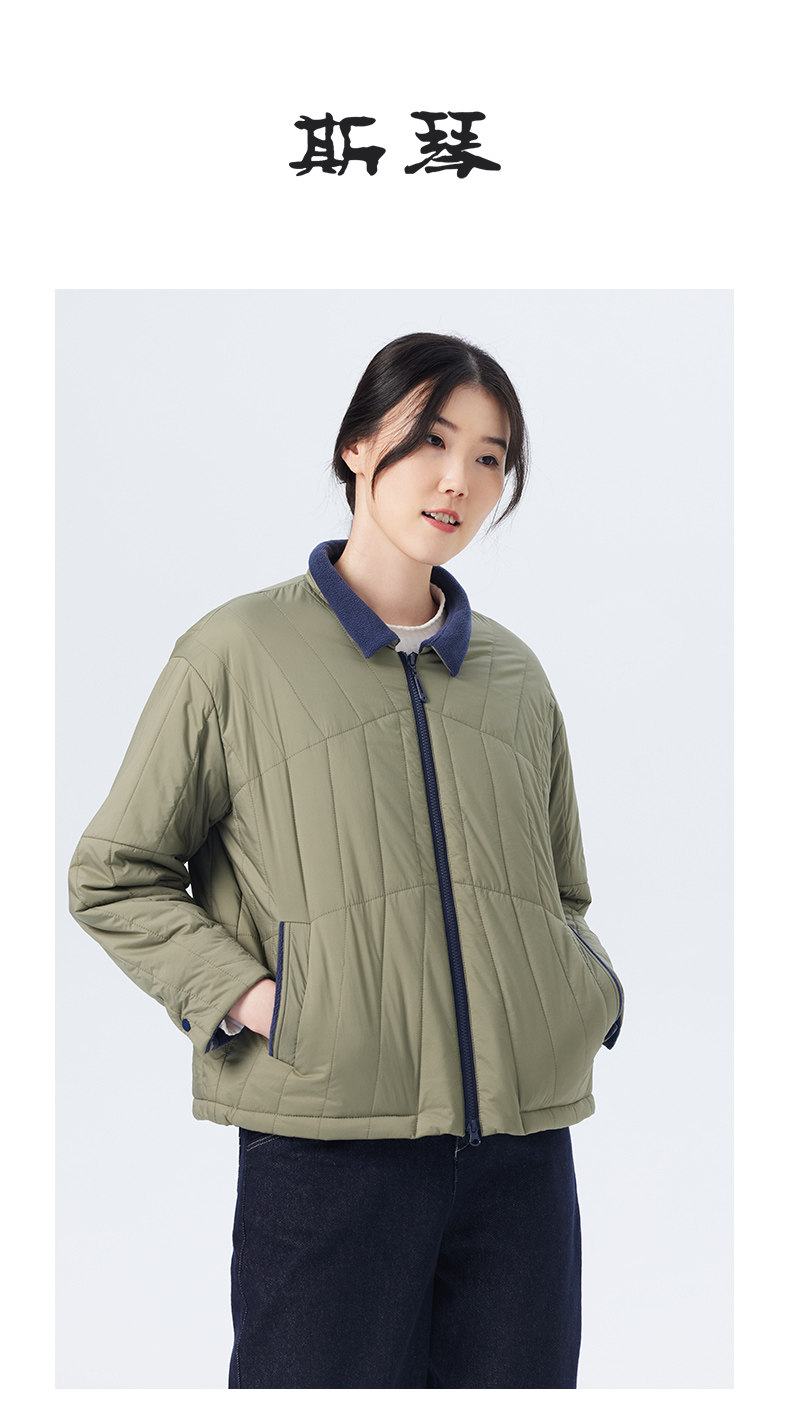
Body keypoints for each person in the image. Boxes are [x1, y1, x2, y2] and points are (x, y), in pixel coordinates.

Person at [68, 330, 625, 1389]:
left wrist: (577, 991)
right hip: (330, 1148)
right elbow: (114, 873)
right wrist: (260, 1001)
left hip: (520, 1157)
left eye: (491, 457)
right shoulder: (236, 655)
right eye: (431, 440)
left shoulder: (515, 677)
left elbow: (561, 891)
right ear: (357, 446)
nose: (458, 480)